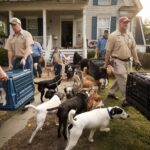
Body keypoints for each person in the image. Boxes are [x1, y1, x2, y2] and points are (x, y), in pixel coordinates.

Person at [104, 16, 141, 107]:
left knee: (121, 78)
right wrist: (106, 63)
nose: (126, 24)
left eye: (127, 23)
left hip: (128, 61)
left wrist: (137, 60)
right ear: (120, 23)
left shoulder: (130, 34)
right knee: (124, 80)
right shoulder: (113, 36)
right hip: (117, 61)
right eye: (124, 22)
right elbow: (108, 51)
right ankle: (126, 99)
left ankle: (111, 92)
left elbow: (133, 48)